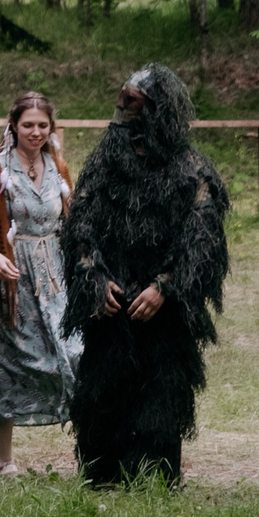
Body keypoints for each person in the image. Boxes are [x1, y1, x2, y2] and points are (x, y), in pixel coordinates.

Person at [63, 64, 230, 487]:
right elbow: (80, 224)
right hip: (111, 304)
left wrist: (166, 287)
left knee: (161, 391)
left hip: (162, 311)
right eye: (122, 98)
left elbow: (202, 241)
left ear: (156, 108)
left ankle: (154, 475)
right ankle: (102, 475)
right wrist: (94, 279)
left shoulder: (192, 170)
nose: (121, 108)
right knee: (103, 390)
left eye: (132, 101)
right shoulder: (106, 160)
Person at [0, 91, 77, 475]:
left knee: (71, 352)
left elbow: (71, 221)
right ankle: (5, 458)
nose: (36, 131)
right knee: (5, 362)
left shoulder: (58, 166)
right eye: (28, 124)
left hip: (54, 276)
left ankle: (87, 442)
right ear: (14, 126)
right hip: (10, 280)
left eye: (42, 125)